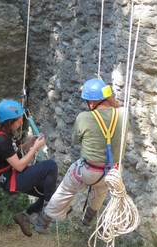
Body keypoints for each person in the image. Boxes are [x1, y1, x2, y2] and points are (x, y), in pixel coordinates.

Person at [33, 78, 126, 233]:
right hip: (112, 173)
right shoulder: (123, 115)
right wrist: (108, 96)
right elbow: (117, 106)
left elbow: (76, 139)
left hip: (88, 171)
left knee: (66, 189)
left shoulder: (84, 117)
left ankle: (43, 221)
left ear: (91, 103)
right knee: (101, 190)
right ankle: (89, 217)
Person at [0, 99, 58, 237]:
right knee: (51, 166)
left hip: (13, 175)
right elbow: (18, 166)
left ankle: (25, 215)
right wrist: (35, 148)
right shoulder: (0, 140)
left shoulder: (5, 132)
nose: (21, 123)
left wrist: (30, 143)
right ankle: (49, 211)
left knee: (48, 190)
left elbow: (13, 153)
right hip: (11, 179)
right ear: (8, 121)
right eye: (18, 121)